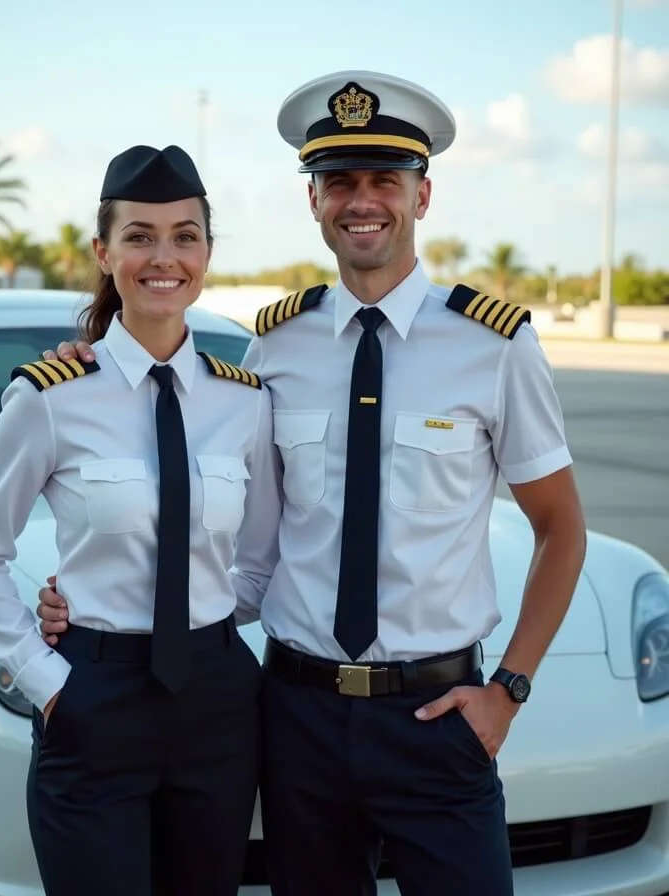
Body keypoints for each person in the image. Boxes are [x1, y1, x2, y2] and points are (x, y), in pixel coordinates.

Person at [37, 71, 587, 896]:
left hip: (436, 719)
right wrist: (92, 600)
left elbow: (561, 530)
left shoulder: (494, 345)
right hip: (296, 719)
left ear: (422, 196)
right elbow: (232, 533)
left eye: (384, 182)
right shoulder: (275, 349)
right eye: (339, 182)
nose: (361, 201)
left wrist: (506, 691)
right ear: (315, 201)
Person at [0, 143, 282, 896]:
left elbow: (261, 558)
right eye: (139, 236)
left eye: (184, 236)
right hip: (92, 701)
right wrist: (48, 680)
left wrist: (208, 619)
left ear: (206, 252)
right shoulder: (51, 396)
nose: (163, 256)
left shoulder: (246, 401)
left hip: (219, 706)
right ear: (103, 252)